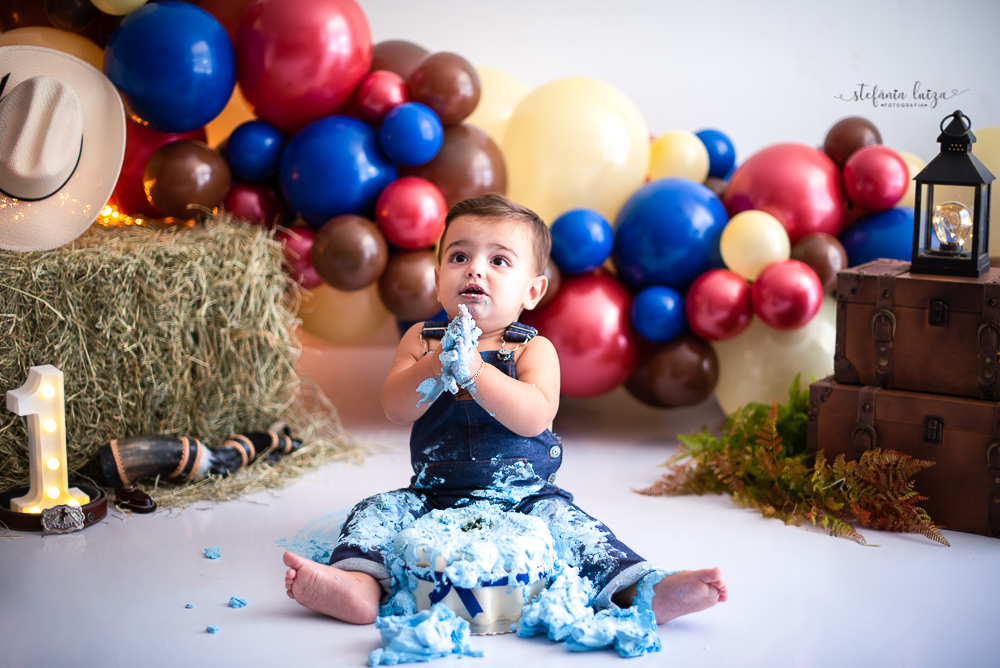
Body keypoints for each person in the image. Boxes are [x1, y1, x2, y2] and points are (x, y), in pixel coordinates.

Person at [283, 193, 728, 626]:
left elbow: (535, 416)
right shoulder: (423, 340)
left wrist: (475, 370)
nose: (474, 268)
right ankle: (358, 584)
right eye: (459, 257)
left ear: (532, 291)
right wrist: (438, 363)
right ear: (437, 279)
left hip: (526, 497)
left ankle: (643, 590)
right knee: (376, 511)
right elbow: (395, 409)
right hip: (434, 496)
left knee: (579, 533)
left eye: (498, 260)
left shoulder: (533, 349)